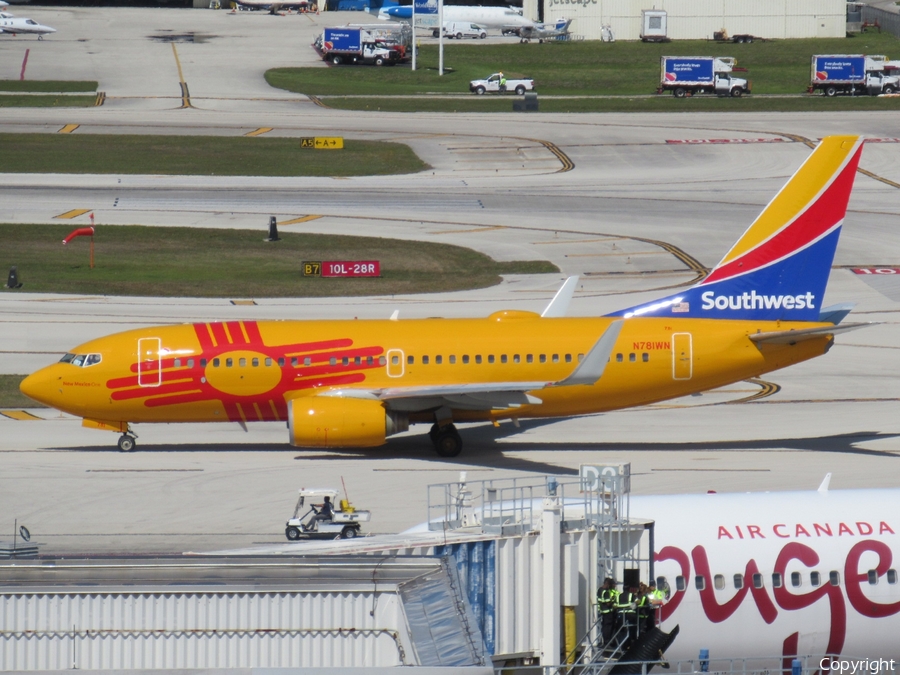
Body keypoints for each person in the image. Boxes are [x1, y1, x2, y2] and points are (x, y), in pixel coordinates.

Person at [596, 577, 619, 648]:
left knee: (604, 626)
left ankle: (605, 641)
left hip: (602, 611)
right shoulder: (606, 592)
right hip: (608, 612)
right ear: (608, 584)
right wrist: (613, 599)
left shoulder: (599, 590)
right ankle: (607, 642)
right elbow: (608, 603)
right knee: (608, 627)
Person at [616, 584, 638, 649]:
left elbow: (615, 605)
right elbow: (638, 602)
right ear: (629, 589)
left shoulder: (618, 596)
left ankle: (621, 646)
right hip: (630, 615)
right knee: (631, 629)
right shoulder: (631, 595)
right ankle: (630, 644)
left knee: (621, 630)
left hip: (620, 615)